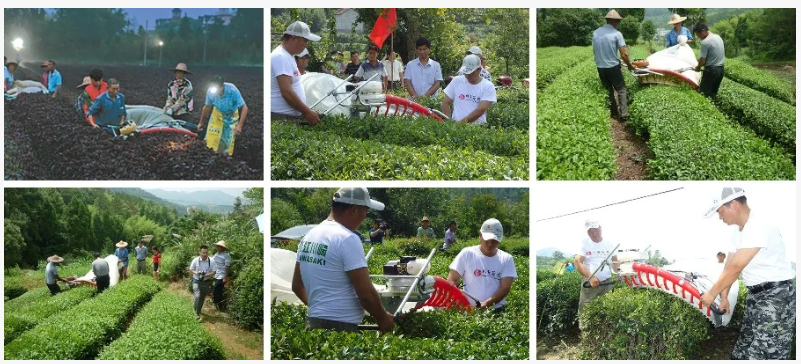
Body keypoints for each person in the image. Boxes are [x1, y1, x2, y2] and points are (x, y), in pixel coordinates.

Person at [700, 188, 795, 360]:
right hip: (756, 295)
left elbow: (736, 267)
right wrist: (723, 297)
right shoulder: (737, 232)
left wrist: (711, 294)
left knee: (766, 351)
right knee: (744, 344)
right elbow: (728, 265)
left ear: (734, 205)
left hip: (777, 295)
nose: (720, 218)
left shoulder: (759, 224)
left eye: (720, 212)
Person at [291, 187, 395, 333]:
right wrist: (383, 318)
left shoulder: (309, 236)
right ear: (353, 210)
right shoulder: (347, 238)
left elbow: (296, 285)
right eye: (365, 211)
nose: (365, 216)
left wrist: (320, 311)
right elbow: (366, 294)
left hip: (312, 324)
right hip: (341, 328)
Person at [448, 218, 517, 312]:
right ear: (480, 235)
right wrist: (457, 300)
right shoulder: (467, 253)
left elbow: (505, 287)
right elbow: (452, 280)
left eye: (494, 240)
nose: (490, 244)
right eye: (487, 239)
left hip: (497, 310)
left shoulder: (506, 258)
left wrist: (486, 304)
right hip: (468, 309)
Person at [270, 21, 321, 126]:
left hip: (286, 117)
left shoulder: (288, 56)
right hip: (280, 118)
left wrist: (303, 111)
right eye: (305, 40)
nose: (306, 44)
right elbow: (286, 92)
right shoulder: (281, 57)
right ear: (294, 38)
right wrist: (306, 111)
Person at [592, 10, 634, 121]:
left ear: (607, 20)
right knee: (621, 89)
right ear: (615, 22)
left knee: (609, 89)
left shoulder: (596, 32)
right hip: (612, 67)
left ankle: (614, 113)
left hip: (600, 67)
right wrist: (629, 65)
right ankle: (624, 113)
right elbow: (624, 54)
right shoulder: (617, 34)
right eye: (618, 22)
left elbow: (595, 50)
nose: (618, 24)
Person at [573, 220, 619, 321]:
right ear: (587, 232)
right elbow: (577, 262)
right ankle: (585, 332)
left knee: (607, 307)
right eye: (590, 231)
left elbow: (615, 261)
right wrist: (591, 277)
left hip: (607, 283)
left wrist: (617, 273)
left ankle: (603, 332)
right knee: (586, 309)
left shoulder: (609, 243)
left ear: (601, 228)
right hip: (590, 283)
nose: (594, 234)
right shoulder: (584, 243)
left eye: (596, 230)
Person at [198, 75, 249, 155]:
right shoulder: (210, 92)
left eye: (218, 88)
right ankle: (211, 154)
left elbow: (244, 108)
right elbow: (206, 107)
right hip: (217, 114)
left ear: (222, 86)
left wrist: (239, 126)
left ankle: (224, 157)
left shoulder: (232, 90)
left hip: (231, 116)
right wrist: (201, 122)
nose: (216, 91)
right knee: (212, 137)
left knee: (227, 142)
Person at [443, 54, 497, 125]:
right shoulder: (456, 81)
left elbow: (481, 109)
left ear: (479, 70)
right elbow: (446, 102)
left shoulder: (488, 86)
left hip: (476, 128)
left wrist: (459, 124)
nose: (468, 75)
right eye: (466, 72)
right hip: (455, 127)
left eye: (471, 72)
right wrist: (448, 122)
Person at [693, 23, 725, 100]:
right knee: (713, 93)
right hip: (720, 70)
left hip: (711, 71)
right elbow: (713, 53)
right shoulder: (718, 37)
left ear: (703, 31)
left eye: (698, 34)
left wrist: (698, 67)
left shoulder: (705, 42)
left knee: (704, 93)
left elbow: (703, 61)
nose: (698, 37)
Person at [189, 245, 217, 320]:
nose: (204, 254)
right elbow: (191, 269)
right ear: (200, 252)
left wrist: (206, 275)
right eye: (203, 252)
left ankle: (198, 311)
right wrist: (196, 272)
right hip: (196, 280)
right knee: (197, 296)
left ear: (208, 252)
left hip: (206, 282)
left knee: (201, 298)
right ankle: (196, 313)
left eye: (206, 253)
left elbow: (214, 272)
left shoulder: (212, 261)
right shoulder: (195, 260)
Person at [212, 240, 231, 307]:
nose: (217, 247)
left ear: (222, 248)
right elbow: (212, 261)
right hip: (216, 274)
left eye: (219, 246)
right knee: (217, 290)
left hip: (222, 275)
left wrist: (225, 277)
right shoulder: (216, 254)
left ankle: (218, 305)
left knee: (216, 290)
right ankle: (217, 305)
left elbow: (227, 266)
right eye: (217, 246)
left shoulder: (226, 255)